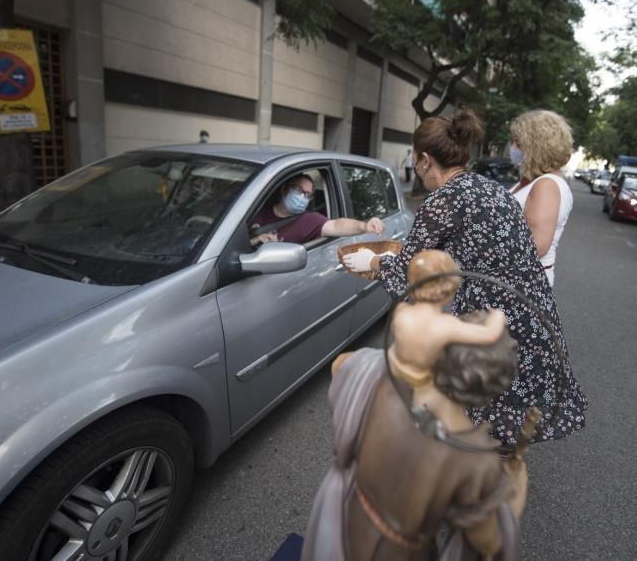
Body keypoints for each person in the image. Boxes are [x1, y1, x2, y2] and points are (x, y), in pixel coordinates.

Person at [340, 109, 587, 445]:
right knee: (503, 433)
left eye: (415, 160)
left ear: (425, 160)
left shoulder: (443, 200)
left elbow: (410, 276)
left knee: (475, 432)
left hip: (492, 327)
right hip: (533, 316)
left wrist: (374, 261)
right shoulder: (491, 188)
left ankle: (472, 490)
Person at [302, 250, 528, 560]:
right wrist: (512, 501)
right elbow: (490, 544)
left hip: (345, 525)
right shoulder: (472, 455)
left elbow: (343, 367)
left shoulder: (365, 375)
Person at [507, 109, 574, 288]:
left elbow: (535, 246)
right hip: (510, 282)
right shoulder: (533, 181)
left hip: (521, 287)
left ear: (535, 146)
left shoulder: (546, 185)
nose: (513, 147)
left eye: (518, 143)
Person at [250, 173, 385, 246]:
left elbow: (336, 225)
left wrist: (363, 225)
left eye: (308, 195)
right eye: (299, 190)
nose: (303, 197)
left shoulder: (309, 220)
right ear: (284, 189)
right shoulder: (257, 209)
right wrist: (255, 241)